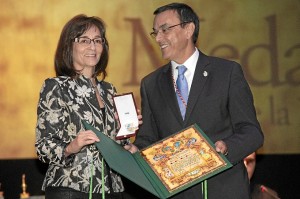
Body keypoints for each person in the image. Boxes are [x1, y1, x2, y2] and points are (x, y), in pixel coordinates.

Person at [125, 2, 264, 199]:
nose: (158, 38)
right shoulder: (150, 83)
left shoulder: (226, 72)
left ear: (189, 29)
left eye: (165, 30)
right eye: (155, 32)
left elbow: (252, 133)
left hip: (223, 190)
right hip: (176, 194)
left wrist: (227, 146)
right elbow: (148, 138)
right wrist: (135, 150)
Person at [35, 14, 141, 199]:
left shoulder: (110, 90)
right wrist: (71, 147)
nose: (92, 46)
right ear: (69, 45)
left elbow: (113, 145)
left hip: (112, 189)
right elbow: (43, 146)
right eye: (84, 40)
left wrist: (127, 137)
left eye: (98, 40)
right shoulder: (56, 87)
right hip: (71, 188)